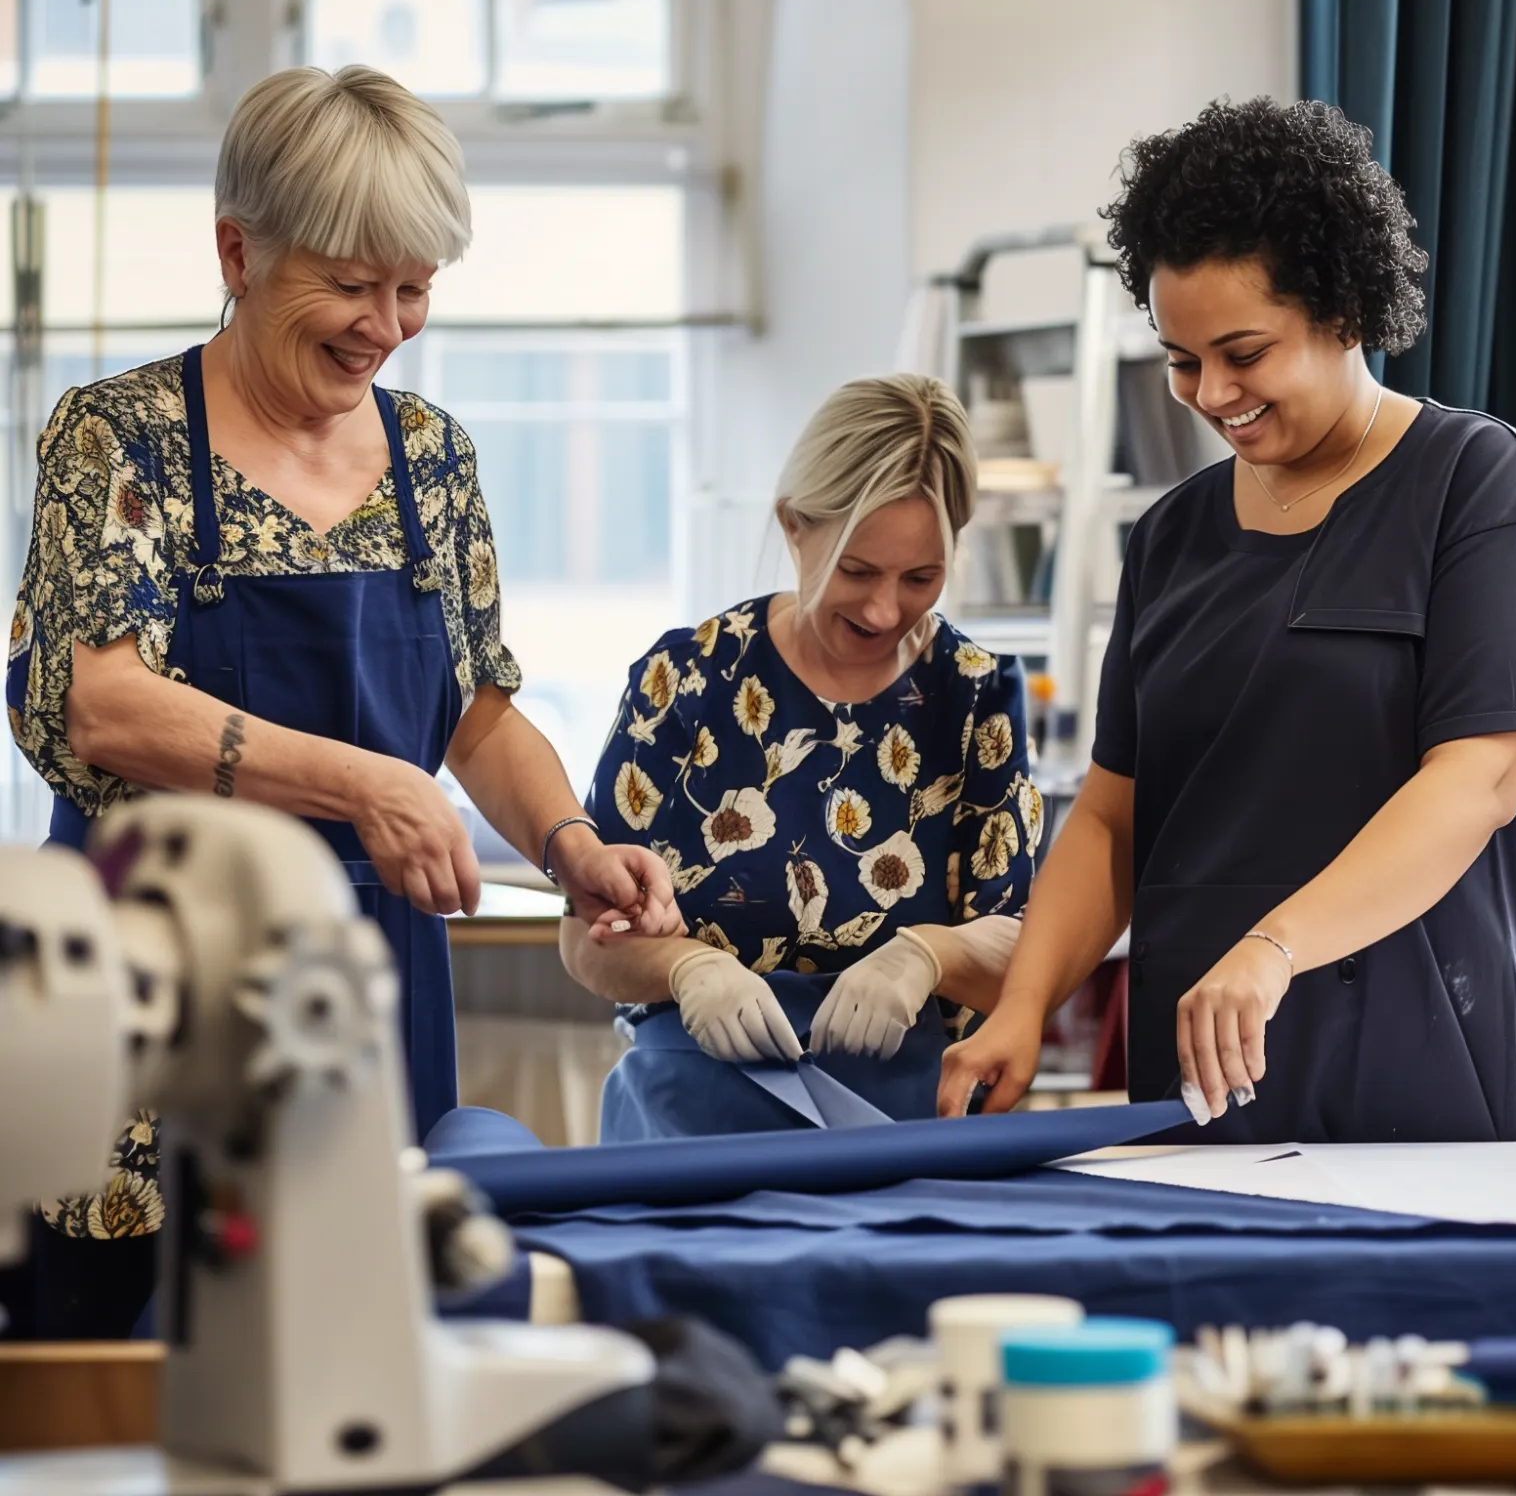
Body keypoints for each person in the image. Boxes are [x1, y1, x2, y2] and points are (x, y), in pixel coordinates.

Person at [5, 65, 676, 1333]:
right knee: (131, 1384)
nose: (387, 322)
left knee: (366, 1363)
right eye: (351, 282)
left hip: (367, 988)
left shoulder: (431, 456)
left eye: (414, 286)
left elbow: (476, 708)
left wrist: (571, 841)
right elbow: (103, 706)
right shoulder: (122, 439)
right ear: (236, 249)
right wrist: (368, 781)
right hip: (160, 995)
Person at [940, 97, 1516, 1143]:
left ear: (1344, 311)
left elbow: (1481, 776)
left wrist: (1274, 946)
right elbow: (1108, 816)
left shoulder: (1471, 479)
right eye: (1181, 359)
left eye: (1243, 352)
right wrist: (1023, 1001)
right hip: (1197, 1070)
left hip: (1414, 1056)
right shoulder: (1172, 535)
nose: (1209, 392)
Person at [563, 374, 1042, 1138]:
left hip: (896, 1125)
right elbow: (586, 941)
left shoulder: (973, 698)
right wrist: (685, 969)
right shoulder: (687, 680)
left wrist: (928, 954)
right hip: (689, 1120)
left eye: (921, 577)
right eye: (856, 571)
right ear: (794, 526)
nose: (885, 609)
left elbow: (1027, 946)